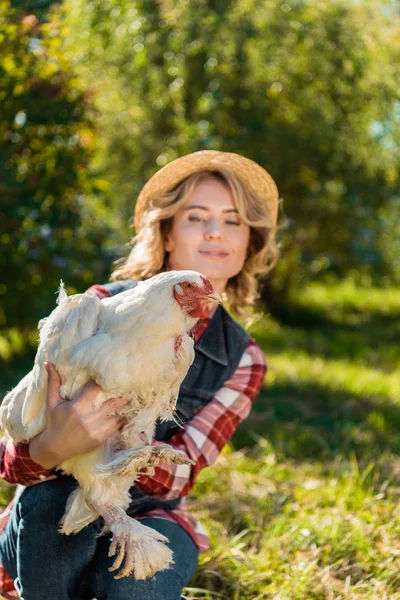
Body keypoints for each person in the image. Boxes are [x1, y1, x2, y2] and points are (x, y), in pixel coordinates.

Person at [0, 150, 279, 600]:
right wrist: (52, 446)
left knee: (140, 589)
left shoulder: (243, 358)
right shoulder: (94, 309)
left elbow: (181, 473)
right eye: (195, 217)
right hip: (51, 496)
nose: (214, 231)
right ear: (166, 233)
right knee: (54, 534)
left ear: (249, 243)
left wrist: (126, 449)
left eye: (233, 221)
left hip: (150, 512)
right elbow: (12, 451)